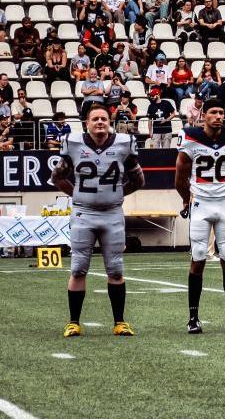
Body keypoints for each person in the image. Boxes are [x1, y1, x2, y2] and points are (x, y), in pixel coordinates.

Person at [52, 105, 144, 338]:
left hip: (112, 213)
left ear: (110, 121)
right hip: (83, 213)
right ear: (87, 123)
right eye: (95, 119)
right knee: (78, 268)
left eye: (104, 118)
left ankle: (120, 322)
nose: (100, 122)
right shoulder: (73, 143)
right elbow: (57, 177)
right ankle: (73, 322)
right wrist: (76, 194)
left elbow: (138, 179)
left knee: (115, 269)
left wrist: (118, 195)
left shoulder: (124, 143)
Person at [174, 98, 225, 334]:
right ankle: (193, 317)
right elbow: (180, 173)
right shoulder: (190, 136)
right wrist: (187, 198)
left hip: (224, 203)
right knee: (198, 258)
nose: (218, 116)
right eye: (213, 113)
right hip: (201, 203)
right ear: (203, 115)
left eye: (221, 112)